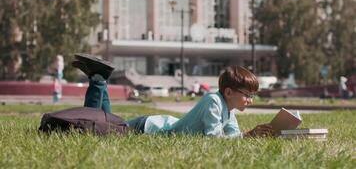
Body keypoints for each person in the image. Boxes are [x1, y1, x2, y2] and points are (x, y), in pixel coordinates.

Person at [73, 54, 274, 138]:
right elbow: (214, 139)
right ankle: (99, 79)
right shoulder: (214, 101)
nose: (250, 100)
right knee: (100, 129)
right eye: (247, 95)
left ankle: (99, 78)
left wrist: (251, 135)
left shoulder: (228, 110)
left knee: (107, 125)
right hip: (150, 127)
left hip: (158, 124)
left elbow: (232, 137)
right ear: (229, 92)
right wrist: (248, 136)